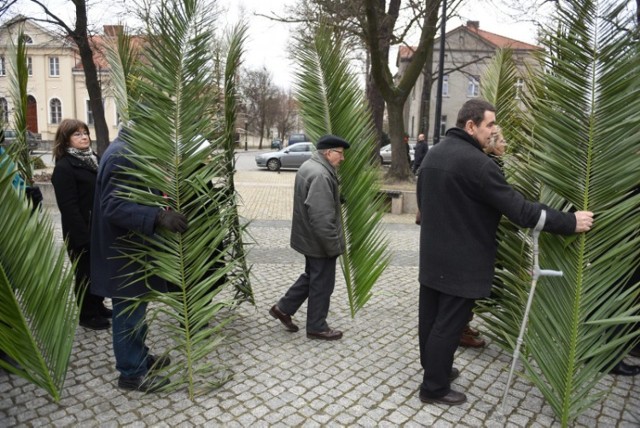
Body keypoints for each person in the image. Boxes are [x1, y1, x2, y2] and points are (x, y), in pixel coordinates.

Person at [416, 99, 594, 406]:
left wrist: (493, 156)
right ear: (470, 126)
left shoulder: (435, 154)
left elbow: (456, 193)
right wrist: (568, 221)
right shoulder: (477, 164)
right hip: (464, 259)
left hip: (433, 254)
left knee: (430, 319)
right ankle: (434, 388)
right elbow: (520, 211)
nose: (495, 131)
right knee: (449, 324)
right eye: (490, 125)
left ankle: (436, 370)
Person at [91, 126, 188, 392]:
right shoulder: (122, 155)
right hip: (124, 254)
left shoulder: (130, 150)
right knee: (128, 314)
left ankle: (140, 357)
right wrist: (157, 217)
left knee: (137, 312)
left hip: (132, 251)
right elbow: (113, 206)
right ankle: (131, 373)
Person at [269, 134, 350, 341]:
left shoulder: (310, 165)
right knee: (322, 283)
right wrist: (333, 247)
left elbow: (314, 200)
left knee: (312, 276)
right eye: (340, 154)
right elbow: (321, 217)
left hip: (308, 237)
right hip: (319, 242)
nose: (342, 159)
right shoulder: (321, 175)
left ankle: (283, 308)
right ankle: (316, 327)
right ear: (328, 152)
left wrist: (335, 196)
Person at [51, 119, 111, 330]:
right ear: (66, 140)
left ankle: (98, 305)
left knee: (98, 269)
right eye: (77, 134)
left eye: (85, 132)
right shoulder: (65, 167)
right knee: (84, 273)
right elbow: (68, 207)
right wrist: (83, 236)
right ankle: (87, 315)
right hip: (81, 231)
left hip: (98, 228)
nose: (84, 137)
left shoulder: (94, 159)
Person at [459, 126, 508, 349]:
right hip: (477, 235)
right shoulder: (485, 164)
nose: (505, 146)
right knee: (468, 288)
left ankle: (463, 325)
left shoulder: (493, 162)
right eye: (502, 141)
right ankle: (461, 328)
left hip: (485, 232)